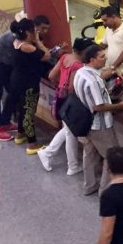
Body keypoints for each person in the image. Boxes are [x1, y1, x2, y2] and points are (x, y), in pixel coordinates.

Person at [0, 13, 46, 141]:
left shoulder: (24, 36)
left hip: (4, 64)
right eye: (36, 31)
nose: (39, 34)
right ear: (28, 31)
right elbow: (41, 55)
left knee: (12, 92)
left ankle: (5, 121)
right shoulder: (20, 41)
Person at [75, 44, 123, 196]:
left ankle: (89, 185)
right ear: (92, 60)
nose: (105, 58)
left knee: (90, 154)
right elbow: (99, 106)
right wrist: (120, 106)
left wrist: (113, 71)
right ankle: (105, 191)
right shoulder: (94, 82)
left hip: (86, 123)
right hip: (100, 125)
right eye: (101, 56)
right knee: (111, 157)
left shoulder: (80, 72)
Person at [37, 37, 92, 174]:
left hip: (60, 98)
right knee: (70, 133)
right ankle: (71, 166)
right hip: (71, 100)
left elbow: (51, 75)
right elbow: (74, 88)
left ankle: (49, 153)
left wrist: (60, 85)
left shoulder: (65, 57)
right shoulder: (78, 66)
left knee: (67, 130)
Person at [8, 16, 54, 153]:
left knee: (22, 109)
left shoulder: (16, 42)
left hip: (17, 80)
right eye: (34, 31)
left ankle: (20, 134)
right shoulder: (28, 47)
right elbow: (47, 56)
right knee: (29, 111)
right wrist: (38, 42)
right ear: (28, 33)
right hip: (28, 83)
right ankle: (32, 144)